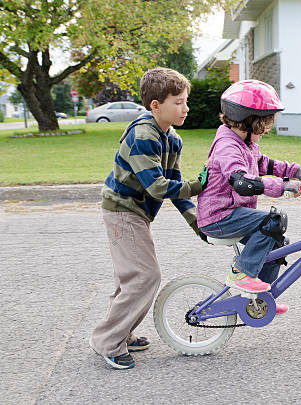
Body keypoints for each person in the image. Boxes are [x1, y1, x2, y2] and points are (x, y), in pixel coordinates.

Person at [89, 67, 204, 370]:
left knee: (132, 278)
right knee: (144, 276)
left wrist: (197, 223)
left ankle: (122, 333)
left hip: (135, 213)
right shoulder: (143, 135)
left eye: (186, 101)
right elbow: (158, 186)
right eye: (178, 102)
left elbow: (176, 183)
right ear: (156, 105)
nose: (186, 108)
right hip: (122, 211)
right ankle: (108, 341)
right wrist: (200, 183)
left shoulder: (172, 138)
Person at [197, 80, 301, 311]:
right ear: (250, 122)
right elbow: (242, 183)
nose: (266, 131)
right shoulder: (227, 146)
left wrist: (295, 170)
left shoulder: (244, 143)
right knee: (273, 221)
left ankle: (261, 300)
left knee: (276, 243)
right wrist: (283, 186)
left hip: (232, 212)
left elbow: (263, 163)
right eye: (265, 126)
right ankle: (241, 273)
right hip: (219, 216)